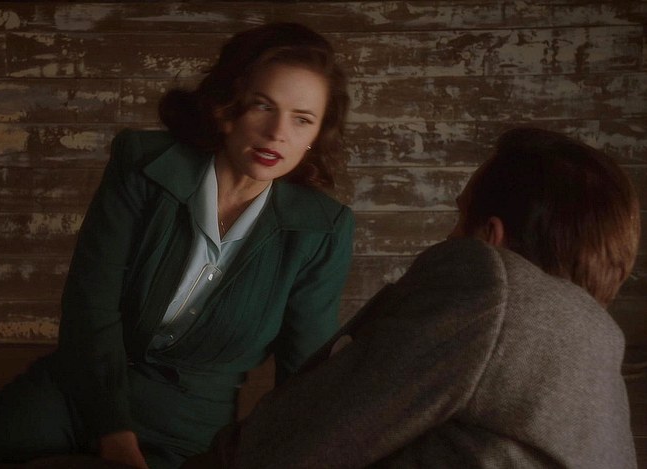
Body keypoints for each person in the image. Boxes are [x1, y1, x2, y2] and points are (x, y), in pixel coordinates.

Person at [0, 22, 354, 469]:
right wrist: (113, 432)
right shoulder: (145, 164)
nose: (277, 133)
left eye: (302, 119)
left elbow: (305, 377)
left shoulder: (322, 231)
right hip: (78, 387)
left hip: (186, 426)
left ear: (316, 135)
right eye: (262, 106)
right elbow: (89, 302)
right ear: (227, 107)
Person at [188, 127, 640, 468]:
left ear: (492, 237)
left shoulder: (491, 286)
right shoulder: (598, 369)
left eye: (460, 218)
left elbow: (305, 436)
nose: (450, 238)